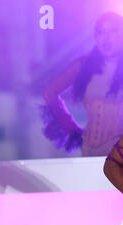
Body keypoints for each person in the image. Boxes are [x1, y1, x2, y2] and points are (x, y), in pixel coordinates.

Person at [41, 12, 123, 156]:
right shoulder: (83, 66)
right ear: (95, 36)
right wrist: (71, 128)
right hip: (89, 151)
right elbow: (49, 93)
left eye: (113, 31)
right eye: (100, 32)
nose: (106, 38)